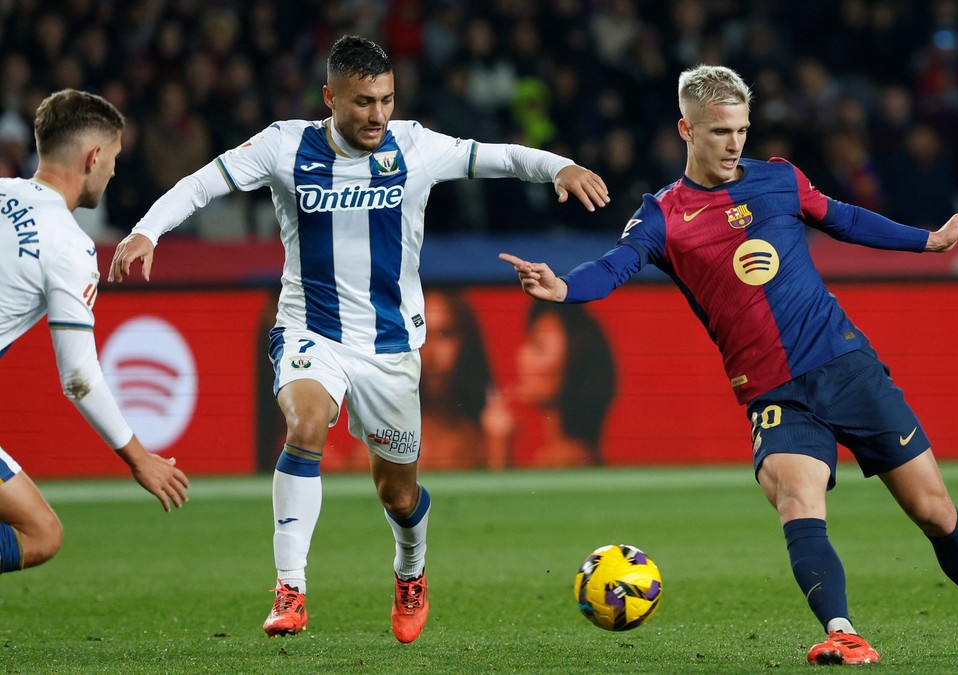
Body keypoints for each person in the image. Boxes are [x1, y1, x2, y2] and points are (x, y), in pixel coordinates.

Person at [500, 65, 958, 665]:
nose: (734, 143)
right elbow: (615, 265)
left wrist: (930, 239)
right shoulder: (664, 214)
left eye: (741, 129)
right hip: (773, 392)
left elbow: (844, 218)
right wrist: (564, 289)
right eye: (720, 131)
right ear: (685, 129)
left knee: (933, 509)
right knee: (799, 500)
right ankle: (842, 631)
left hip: (846, 365)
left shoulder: (779, 180)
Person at [106, 35, 608, 642]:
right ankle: (290, 588)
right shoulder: (284, 145)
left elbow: (494, 155)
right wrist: (146, 230)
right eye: (364, 102)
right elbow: (202, 184)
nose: (377, 115)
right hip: (309, 329)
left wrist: (561, 166)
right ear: (330, 97)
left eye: (387, 100)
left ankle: (411, 568)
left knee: (398, 495)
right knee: (305, 424)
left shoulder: (415, 146)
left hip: (392, 345)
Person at [0, 89, 190, 576]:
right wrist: (138, 457)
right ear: (93, 156)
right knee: (40, 534)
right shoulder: (69, 245)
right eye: (114, 158)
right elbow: (79, 376)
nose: (113, 172)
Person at [485, 302, 616, 467]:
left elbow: (502, 494)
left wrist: (499, 450)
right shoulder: (575, 455)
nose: (522, 355)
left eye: (538, 346)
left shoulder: (563, 462)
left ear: (575, 363)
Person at [418, 288, 499, 471]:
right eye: (421, 336)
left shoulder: (487, 439)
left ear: (465, 343)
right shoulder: (381, 443)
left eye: (444, 334)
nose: (431, 353)